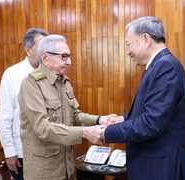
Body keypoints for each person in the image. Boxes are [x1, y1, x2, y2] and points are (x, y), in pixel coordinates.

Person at [97, 16, 185, 180]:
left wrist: (105, 133)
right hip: (155, 165)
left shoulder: (165, 67)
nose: (128, 51)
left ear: (146, 39)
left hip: (161, 167)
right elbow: (154, 112)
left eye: (129, 44)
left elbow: (151, 122)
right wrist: (122, 119)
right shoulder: (159, 65)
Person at [17, 34, 113, 180]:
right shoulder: (32, 84)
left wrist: (100, 120)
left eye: (69, 56)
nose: (69, 62)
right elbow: (42, 128)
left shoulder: (64, 82)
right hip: (44, 170)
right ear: (45, 57)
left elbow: (74, 116)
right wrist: (85, 132)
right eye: (64, 56)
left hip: (66, 165)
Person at [0, 28, 49, 180]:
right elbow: (5, 117)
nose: (46, 51)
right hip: (22, 151)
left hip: (48, 150)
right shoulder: (12, 74)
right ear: (28, 49)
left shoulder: (50, 73)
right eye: (42, 46)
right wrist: (10, 152)